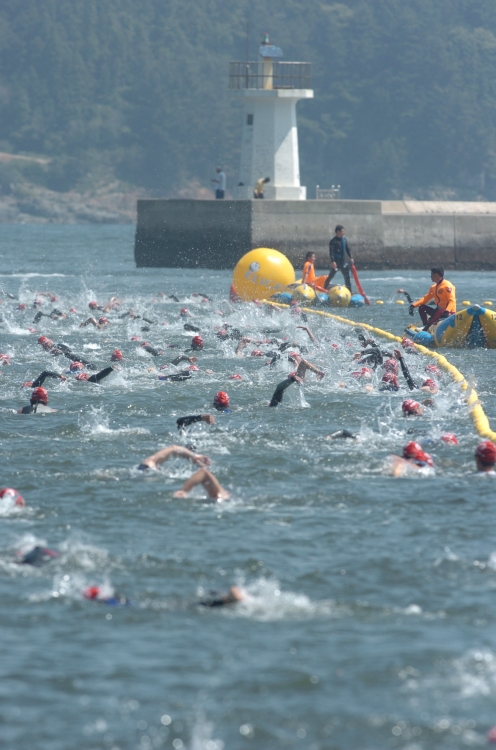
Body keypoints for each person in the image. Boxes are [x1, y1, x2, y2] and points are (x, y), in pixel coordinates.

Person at [324, 225, 354, 293]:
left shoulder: (344, 240)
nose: (343, 232)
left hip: (343, 262)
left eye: (343, 231)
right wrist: (333, 261)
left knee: (347, 277)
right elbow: (331, 252)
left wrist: (351, 257)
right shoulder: (333, 241)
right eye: (342, 231)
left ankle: (349, 291)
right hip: (336, 263)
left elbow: (347, 249)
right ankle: (324, 289)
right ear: (338, 232)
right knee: (330, 276)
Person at [137, 445, 210, 471]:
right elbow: (174, 448)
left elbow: (173, 449)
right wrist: (194, 457)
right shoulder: (150, 465)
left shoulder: (146, 466)